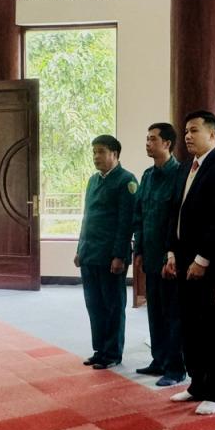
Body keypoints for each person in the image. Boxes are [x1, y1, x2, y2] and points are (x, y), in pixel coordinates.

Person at [163, 110, 215, 415]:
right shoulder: (185, 167)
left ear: (212, 134)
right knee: (189, 325)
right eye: (186, 131)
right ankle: (196, 383)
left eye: (194, 130)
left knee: (211, 327)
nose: (187, 136)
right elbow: (175, 212)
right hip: (182, 259)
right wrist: (172, 253)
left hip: (209, 263)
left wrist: (202, 259)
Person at [75, 135, 138, 370]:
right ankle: (99, 349)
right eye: (94, 152)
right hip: (90, 253)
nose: (96, 157)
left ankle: (112, 353)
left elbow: (126, 222)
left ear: (115, 154)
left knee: (112, 306)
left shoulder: (126, 180)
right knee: (94, 305)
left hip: (110, 256)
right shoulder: (93, 180)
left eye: (101, 151)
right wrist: (80, 249)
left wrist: (119, 255)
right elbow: (87, 218)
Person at [133, 123, 186, 386]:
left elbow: (178, 219)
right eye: (147, 138)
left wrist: (171, 254)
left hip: (170, 258)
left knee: (173, 314)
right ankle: (159, 359)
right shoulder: (147, 175)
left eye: (152, 139)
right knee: (154, 312)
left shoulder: (180, 175)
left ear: (167, 143)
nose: (147, 143)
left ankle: (176, 368)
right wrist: (139, 249)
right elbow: (140, 215)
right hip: (151, 256)